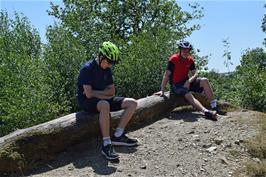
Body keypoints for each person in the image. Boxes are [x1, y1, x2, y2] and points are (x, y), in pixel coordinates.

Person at [77, 41, 138, 160]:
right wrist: (103, 94)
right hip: (87, 102)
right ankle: (106, 144)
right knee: (105, 105)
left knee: (132, 103)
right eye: (109, 62)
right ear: (101, 57)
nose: (110, 65)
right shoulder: (87, 69)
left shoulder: (107, 69)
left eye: (112, 63)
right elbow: (88, 95)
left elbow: (112, 91)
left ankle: (118, 135)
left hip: (102, 99)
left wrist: (96, 93)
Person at [155, 41, 226, 121]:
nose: (186, 52)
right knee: (188, 94)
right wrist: (162, 90)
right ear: (180, 50)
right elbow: (166, 75)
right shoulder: (173, 59)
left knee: (204, 81)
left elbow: (195, 73)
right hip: (176, 85)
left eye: (187, 50)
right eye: (184, 50)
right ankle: (206, 112)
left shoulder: (190, 60)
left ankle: (214, 107)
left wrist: (189, 81)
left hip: (186, 82)